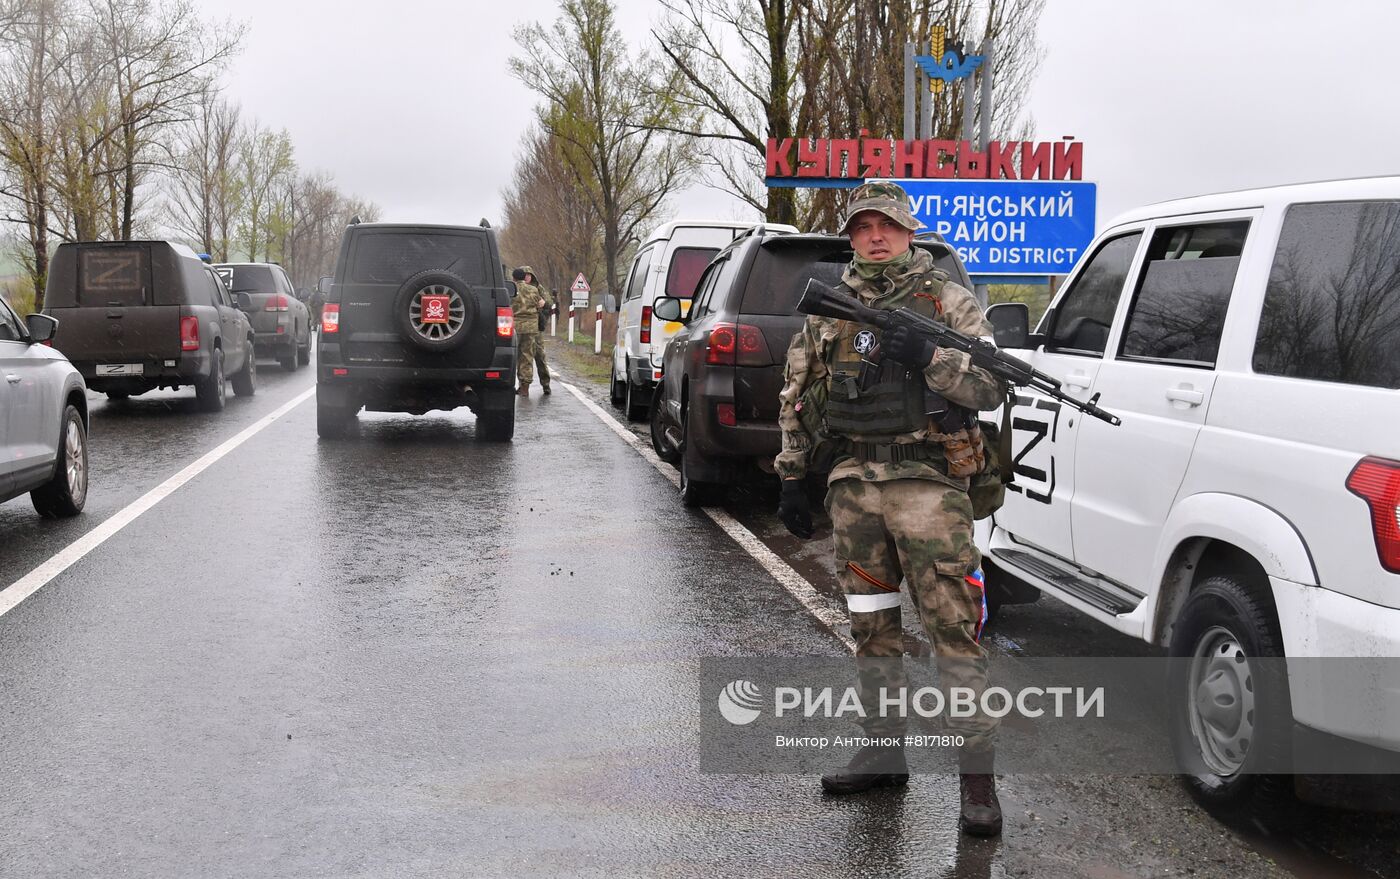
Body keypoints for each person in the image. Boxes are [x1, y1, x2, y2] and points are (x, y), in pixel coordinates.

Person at [773, 181, 1007, 836]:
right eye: (864, 225)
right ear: (851, 236)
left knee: (952, 629)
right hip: (855, 485)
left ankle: (977, 781)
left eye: (889, 224)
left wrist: (932, 358)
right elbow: (799, 393)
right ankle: (883, 750)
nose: (876, 235)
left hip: (929, 484)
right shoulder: (830, 309)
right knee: (872, 625)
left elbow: (989, 384)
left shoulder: (948, 300)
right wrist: (791, 473)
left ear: (909, 231)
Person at [511, 267, 550, 396]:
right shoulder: (534, 290)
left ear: (513, 278)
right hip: (531, 328)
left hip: (515, 327)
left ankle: (516, 385)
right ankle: (525, 387)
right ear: (524, 277)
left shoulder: (510, 289)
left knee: (514, 357)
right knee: (527, 356)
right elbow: (543, 304)